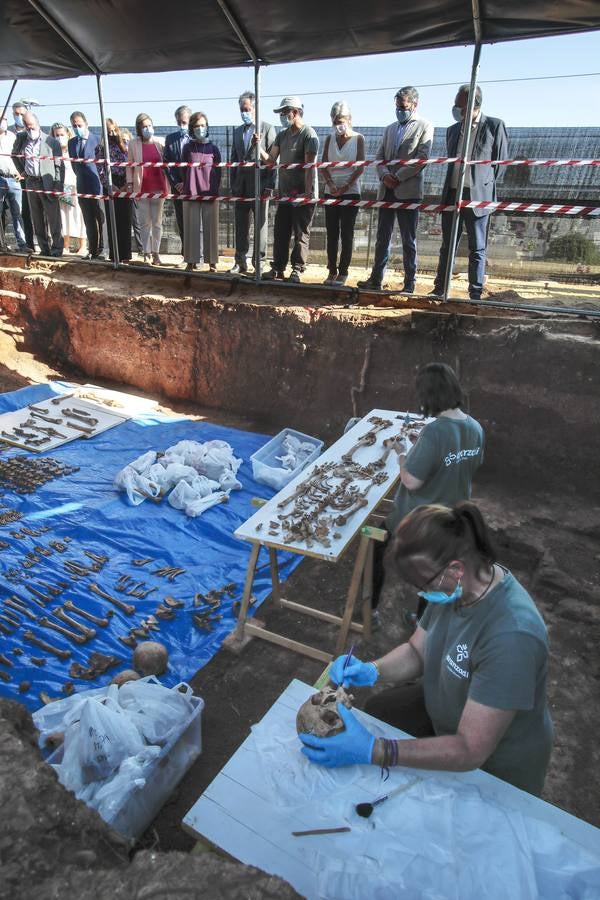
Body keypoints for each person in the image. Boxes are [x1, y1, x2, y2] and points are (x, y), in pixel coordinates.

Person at [300, 501, 553, 797]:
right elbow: (418, 651)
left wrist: (378, 750)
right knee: (384, 709)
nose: (423, 594)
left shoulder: (512, 637)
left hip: (493, 769)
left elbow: (469, 749)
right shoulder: (456, 585)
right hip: (448, 715)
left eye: (424, 585)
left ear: (455, 569)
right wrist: (371, 670)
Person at [371, 362, 484, 622]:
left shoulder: (434, 431)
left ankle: (370, 611)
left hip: (419, 518)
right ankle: (424, 621)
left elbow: (411, 482)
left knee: (375, 546)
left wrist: (402, 455)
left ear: (428, 396)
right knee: (438, 571)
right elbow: (468, 464)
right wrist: (423, 450)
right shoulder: (475, 427)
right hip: (453, 516)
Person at [430, 84, 508, 301]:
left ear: (475, 104)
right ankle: (440, 287)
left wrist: (481, 185)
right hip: (453, 194)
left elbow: (500, 165)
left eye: (460, 105)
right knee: (448, 246)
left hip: (478, 198)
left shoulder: (494, 126)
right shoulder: (453, 130)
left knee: (477, 247)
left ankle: (475, 290)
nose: (456, 109)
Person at [358, 87, 433, 293]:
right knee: (382, 237)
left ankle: (409, 282)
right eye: (398, 106)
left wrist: (398, 177)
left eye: (404, 107)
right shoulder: (390, 128)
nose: (400, 110)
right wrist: (384, 175)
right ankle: (376, 278)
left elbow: (422, 159)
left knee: (408, 239)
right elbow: (379, 156)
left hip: (408, 191)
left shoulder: (425, 126)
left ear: (414, 105)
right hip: (387, 190)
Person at [262, 96, 319, 283]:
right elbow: (271, 161)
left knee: (300, 233)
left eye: (284, 112)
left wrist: (308, 193)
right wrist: (257, 147)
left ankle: (297, 269)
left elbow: (310, 165)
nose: (282, 116)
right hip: (285, 193)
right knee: (281, 232)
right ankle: (278, 268)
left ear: (295, 112)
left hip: (303, 194)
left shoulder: (309, 134)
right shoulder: (282, 135)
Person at [229, 90, 276, 274]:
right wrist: (233, 184)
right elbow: (233, 159)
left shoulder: (267, 129)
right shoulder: (237, 132)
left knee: (261, 226)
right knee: (240, 225)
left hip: (260, 185)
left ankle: (259, 262)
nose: (244, 113)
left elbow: (272, 161)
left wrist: (270, 186)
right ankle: (240, 261)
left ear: (255, 108)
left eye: (247, 109)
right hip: (240, 186)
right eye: (242, 109)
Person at [321, 101, 365, 285]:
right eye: (334, 121)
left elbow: (360, 167)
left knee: (346, 233)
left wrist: (344, 188)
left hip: (350, 192)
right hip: (330, 191)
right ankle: (331, 270)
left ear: (349, 119)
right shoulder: (329, 139)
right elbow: (323, 164)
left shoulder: (358, 138)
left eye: (341, 120)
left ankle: (343, 271)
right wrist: (331, 185)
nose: (338, 124)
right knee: (331, 232)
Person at [12, 112, 64, 256]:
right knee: (37, 219)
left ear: (38, 124)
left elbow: (59, 165)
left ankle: (57, 249)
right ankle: (44, 249)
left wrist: (58, 185)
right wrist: (22, 171)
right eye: (27, 127)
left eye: (32, 126)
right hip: (31, 182)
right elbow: (14, 154)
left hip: (48, 183)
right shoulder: (22, 138)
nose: (30, 129)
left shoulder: (51, 142)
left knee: (54, 219)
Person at [181, 111, 221, 272]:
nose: (200, 128)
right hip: (191, 192)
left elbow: (218, 172)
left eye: (203, 125)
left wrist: (215, 189)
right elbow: (183, 170)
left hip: (210, 193)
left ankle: (212, 262)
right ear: (192, 128)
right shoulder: (187, 148)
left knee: (211, 228)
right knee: (191, 228)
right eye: (197, 126)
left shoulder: (214, 149)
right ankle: (191, 261)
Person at [126, 113, 167, 265]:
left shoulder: (160, 143)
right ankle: (146, 252)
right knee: (144, 223)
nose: (147, 129)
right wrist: (130, 184)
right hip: (141, 188)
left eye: (149, 125)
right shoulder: (133, 144)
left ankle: (156, 253)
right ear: (139, 129)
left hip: (159, 188)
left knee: (157, 222)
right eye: (144, 126)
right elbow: (129, 165)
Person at [68, 111, 104, 259]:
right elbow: (74, 165)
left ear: (86, 124)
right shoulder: (72, 142)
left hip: (98, 186)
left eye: (79, 125)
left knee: (101, 220)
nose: (77, 127)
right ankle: (93, 250)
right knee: (88, 220)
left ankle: (103, 249)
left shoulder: (98, 139)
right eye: (74, 125)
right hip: (82, 186)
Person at [95, 118, 132, 262]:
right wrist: (109, 185)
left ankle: (126, 254)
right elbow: (100, 170)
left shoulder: (125, 145)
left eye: (113, 130)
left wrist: (126, 184)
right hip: (110, 184)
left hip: (124, 182)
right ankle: (115, 255)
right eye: (108, 131)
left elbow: (130, 164)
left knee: (125, 219)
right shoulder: (100, 148)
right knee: (112, 220)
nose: (111, 133)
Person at [50, 123, 86, 255]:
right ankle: (65, 245)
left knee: (79, 216)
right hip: (61, 187)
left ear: (68, 134)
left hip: (76, 186)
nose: (59, 137)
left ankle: (83, 245)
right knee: (63, 217)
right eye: (57, 135)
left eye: (62, 135)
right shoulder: (54, 152)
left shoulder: (74, 149)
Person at [164, 105, 191, 253]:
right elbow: (167, 164)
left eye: (185, 122)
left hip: (194, 186)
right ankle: (185, 253)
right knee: (181, 220)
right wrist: (176, 183)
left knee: (194, 221)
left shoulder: (197, 138)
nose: (182, 125)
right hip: (177, 188)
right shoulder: (171, 139)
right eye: (179, 122)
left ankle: (196, 254)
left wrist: (187, 182)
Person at [0, 114, 28, 251]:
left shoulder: (13, 136)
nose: (2, 122)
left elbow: (22, 154)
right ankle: (1, 245)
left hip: (13, 179)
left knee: (18, 213)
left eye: (4, 119)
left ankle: (22, 244)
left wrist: (22, 172)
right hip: (0, 178)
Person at [10, 101, 34, 250]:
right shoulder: (11, 133)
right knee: (22, 212)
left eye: (22, 114)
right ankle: (27, 243)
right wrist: (21, 172)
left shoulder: (31, 130)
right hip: (16, 178)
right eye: (16, 114)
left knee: (37, 213)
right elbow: (13, 155)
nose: (19, 117)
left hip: (34, 178)